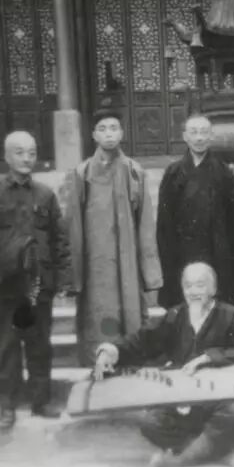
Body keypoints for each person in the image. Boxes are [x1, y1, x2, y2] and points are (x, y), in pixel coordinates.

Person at [93, 262, 234, 467]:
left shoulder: (230, 314)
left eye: (200, 285)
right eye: (188, 286)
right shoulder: (175, 316)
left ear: (213, 289)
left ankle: (179, 457)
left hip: (217, 397)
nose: (193, 292)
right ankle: (217, 450)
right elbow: (141, 342)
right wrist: (110, 352)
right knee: (149, 421)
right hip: (179, 396)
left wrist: (207, 358)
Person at [0, 131, 72, 430]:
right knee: (6, 347)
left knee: (39, 345)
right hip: (2, 286)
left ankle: (41, 402)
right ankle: (7, 406)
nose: (26, 158)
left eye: (31, 153)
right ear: (7, 157)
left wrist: (61, 279)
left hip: (38, 285)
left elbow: (59, 240)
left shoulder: (46, 196)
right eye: (19, 152)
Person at [66, 108, 163, 366]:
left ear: (121, 133)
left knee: (131, 315)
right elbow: (73, 226)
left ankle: (129, 363)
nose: (109, 134)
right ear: (93, 135)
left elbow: (145, 224)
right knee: (97, 315)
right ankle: (99, 367)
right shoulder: (82, 173)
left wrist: (150, 273)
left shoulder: (134, 171)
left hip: (128, 260)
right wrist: (73, 276)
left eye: (113, 128)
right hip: (95, 264)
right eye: (102, 129)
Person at [156, 114, 234, 308]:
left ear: (211, 136)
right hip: (183, 250)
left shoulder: (224, 173)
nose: (199, 138)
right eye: (194, 132)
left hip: (217, 250)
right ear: (185, 137)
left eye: (203, 132)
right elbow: (165, 223)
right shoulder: (173, 173)